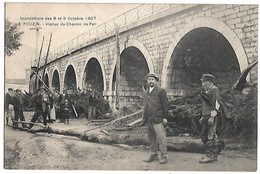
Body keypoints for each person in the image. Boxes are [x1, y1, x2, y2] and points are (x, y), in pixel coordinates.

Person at [141, 72, 169, 164]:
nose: (151, 81)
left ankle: (164, 156)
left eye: (153, 79)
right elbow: (145, 105)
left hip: (158, 118)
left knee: (161, 137)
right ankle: (154, 154)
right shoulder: (146, 91)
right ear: (147, 81)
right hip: (149, 118)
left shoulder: (161, 91)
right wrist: (144, 117)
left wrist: (165, 117)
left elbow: (165, 105)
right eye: (149, 79)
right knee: (151, 137)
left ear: (156, 81)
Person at [199, 74, 225, 163]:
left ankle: (210, 156)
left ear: (209, 82)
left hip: (211, 116)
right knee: (204, 136)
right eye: (202, 82)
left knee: (210, 136)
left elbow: (216, 104)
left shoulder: (214, 90)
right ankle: (214, 153)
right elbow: (205, 106)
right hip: (206, 116)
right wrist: (203, 116)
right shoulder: (206, 91)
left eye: (204, 82)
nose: (202, 84)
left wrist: (212, 117)